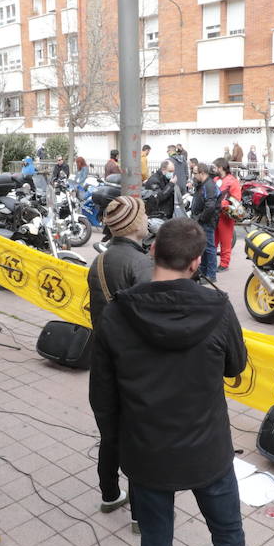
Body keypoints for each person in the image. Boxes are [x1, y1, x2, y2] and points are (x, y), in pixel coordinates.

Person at [89, 218, 260, 546]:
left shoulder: (116, 313)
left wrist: (113, 463)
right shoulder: (217, 307)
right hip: (207, 450)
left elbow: (102, 399)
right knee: (227, 536)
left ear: (151, 252)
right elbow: (235, 366)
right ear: (197, 261)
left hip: (146, 452)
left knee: (157, 542)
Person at [85, 196, 153, 514]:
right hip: (133, 367)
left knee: (110, 434)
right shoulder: (140, 265)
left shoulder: (98, 262)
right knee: (138, 441)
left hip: (102, 361)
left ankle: (109, 495)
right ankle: (141, 513)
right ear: (136, 223)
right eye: (145, 215)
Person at [191, 161, 220, 280]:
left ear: (202, 173)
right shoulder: (204, 184)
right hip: (203, 221)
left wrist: (200, 218)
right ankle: (203, 272)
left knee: (209, 248)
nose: (193, 175)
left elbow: (210, 206)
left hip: (206, 222)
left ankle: (211, 275)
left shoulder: (209, 185)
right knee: (204, 248)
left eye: (195, 173)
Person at [213, 158, 241, 271]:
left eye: (215, 167)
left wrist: (222, 204)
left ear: (220, 167)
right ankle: (211, 263)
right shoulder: (215, 179)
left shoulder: (232, 181)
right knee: (212, 241)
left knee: (225, 241)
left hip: (225, 215)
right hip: (215, 214)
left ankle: (224, 264)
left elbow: (236, 199)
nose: (213, 169)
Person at [171, 146, 189, 216]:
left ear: (170, 151)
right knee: (183, 205)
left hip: (175, 185)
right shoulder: (183, 159)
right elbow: (186, 172)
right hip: (183, 185)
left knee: (176, 205)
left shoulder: (169, 160)